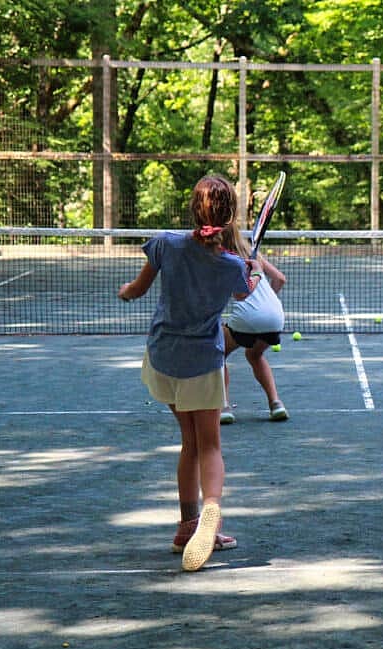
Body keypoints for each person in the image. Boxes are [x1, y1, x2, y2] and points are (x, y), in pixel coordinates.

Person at [118, 174, 262, 572]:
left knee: (189, 443)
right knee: (209, 445)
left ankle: (187, 526)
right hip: (202, 364)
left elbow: (137, 288)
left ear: (193, 210)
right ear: (230, 215)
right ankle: (211, 512)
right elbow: (244, 293)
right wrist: (252, 271)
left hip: (163, 359)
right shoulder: (232, 265)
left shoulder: (164, 244)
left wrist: (126, 292)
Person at [217, 226, 290, 424]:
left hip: (247, 318)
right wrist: (264, 306)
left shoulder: (221, 259)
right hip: (275, 316)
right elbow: (280, 279)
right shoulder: (253, 254)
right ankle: (276, 403)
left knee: (218, 353)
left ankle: (223, 407)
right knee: (255, 354)